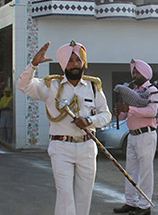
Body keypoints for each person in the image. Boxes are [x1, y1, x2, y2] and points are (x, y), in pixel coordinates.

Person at [17, 41, 112, 215]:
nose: (74, 64)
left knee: (84, 195)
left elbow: (106, 115)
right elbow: (24, 86)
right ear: (63, 64)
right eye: (70, 61)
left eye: (78, 60)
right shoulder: (51, 86)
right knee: (65, 195)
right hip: (61, 147)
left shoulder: (93, 86)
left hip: (87, 146)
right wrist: (34, 65)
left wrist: (89, 120)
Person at [113, 59, 158, 215]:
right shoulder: (132, 91)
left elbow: (152, 112)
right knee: (131, 171)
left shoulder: (152, 90)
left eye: (138, 72)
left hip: (145, 135)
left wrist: (130, 109)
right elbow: (125, 115)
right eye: (134, 72)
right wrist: (120, 112)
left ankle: (144, 205)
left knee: (145, 171)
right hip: (132, 135)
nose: (135, 75)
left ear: (145, 73)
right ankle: (131, 202)